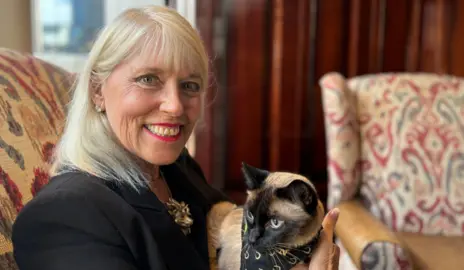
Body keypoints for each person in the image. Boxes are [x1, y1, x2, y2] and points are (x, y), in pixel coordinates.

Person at [11, 5, 340, 270]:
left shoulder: (175, 166)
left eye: (190, 85)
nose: (174, 105)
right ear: (98, 90)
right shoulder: (62, 217)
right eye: (148, 78)